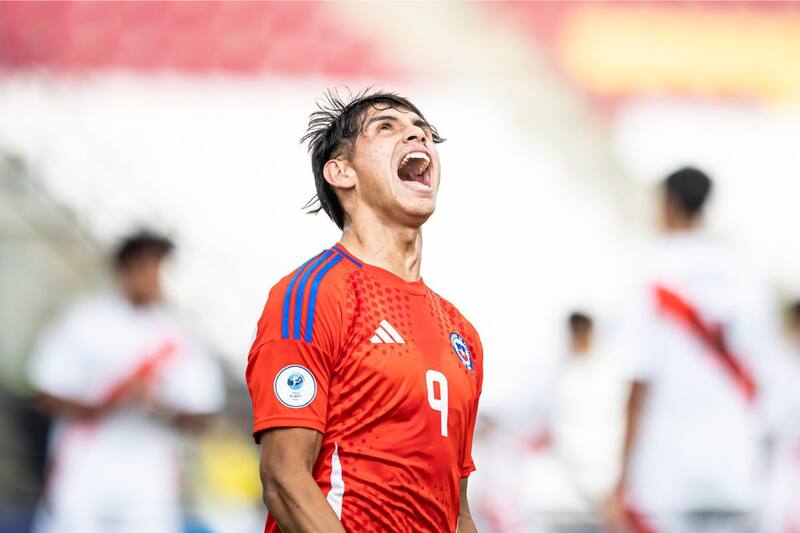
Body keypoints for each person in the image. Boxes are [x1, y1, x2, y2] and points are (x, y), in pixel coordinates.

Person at [245, 90, 483, 532]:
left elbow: (457, 508)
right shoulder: (313, 295)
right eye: (386, 127)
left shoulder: (460, 332)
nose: (417, 134)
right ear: (341, 172)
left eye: (424, 131)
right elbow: (284, 478)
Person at [609, 167, 777, 533]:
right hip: (734, 465)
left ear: (668, 204)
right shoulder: (745, 272)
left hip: (666, 474)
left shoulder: (650, 270)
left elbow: (639, 379)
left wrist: (621, 477)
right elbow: (766, 377)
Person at [28, 230, 225, 533]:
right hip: (83, 470)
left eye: (160, 267)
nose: (156, 277)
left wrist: (159, 407)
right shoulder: (84, 321)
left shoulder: (179, 333)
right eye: (149, 266)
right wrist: (104, 405)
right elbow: (46, 394)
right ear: (127, 269)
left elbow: (203, 414)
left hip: (148, 479)